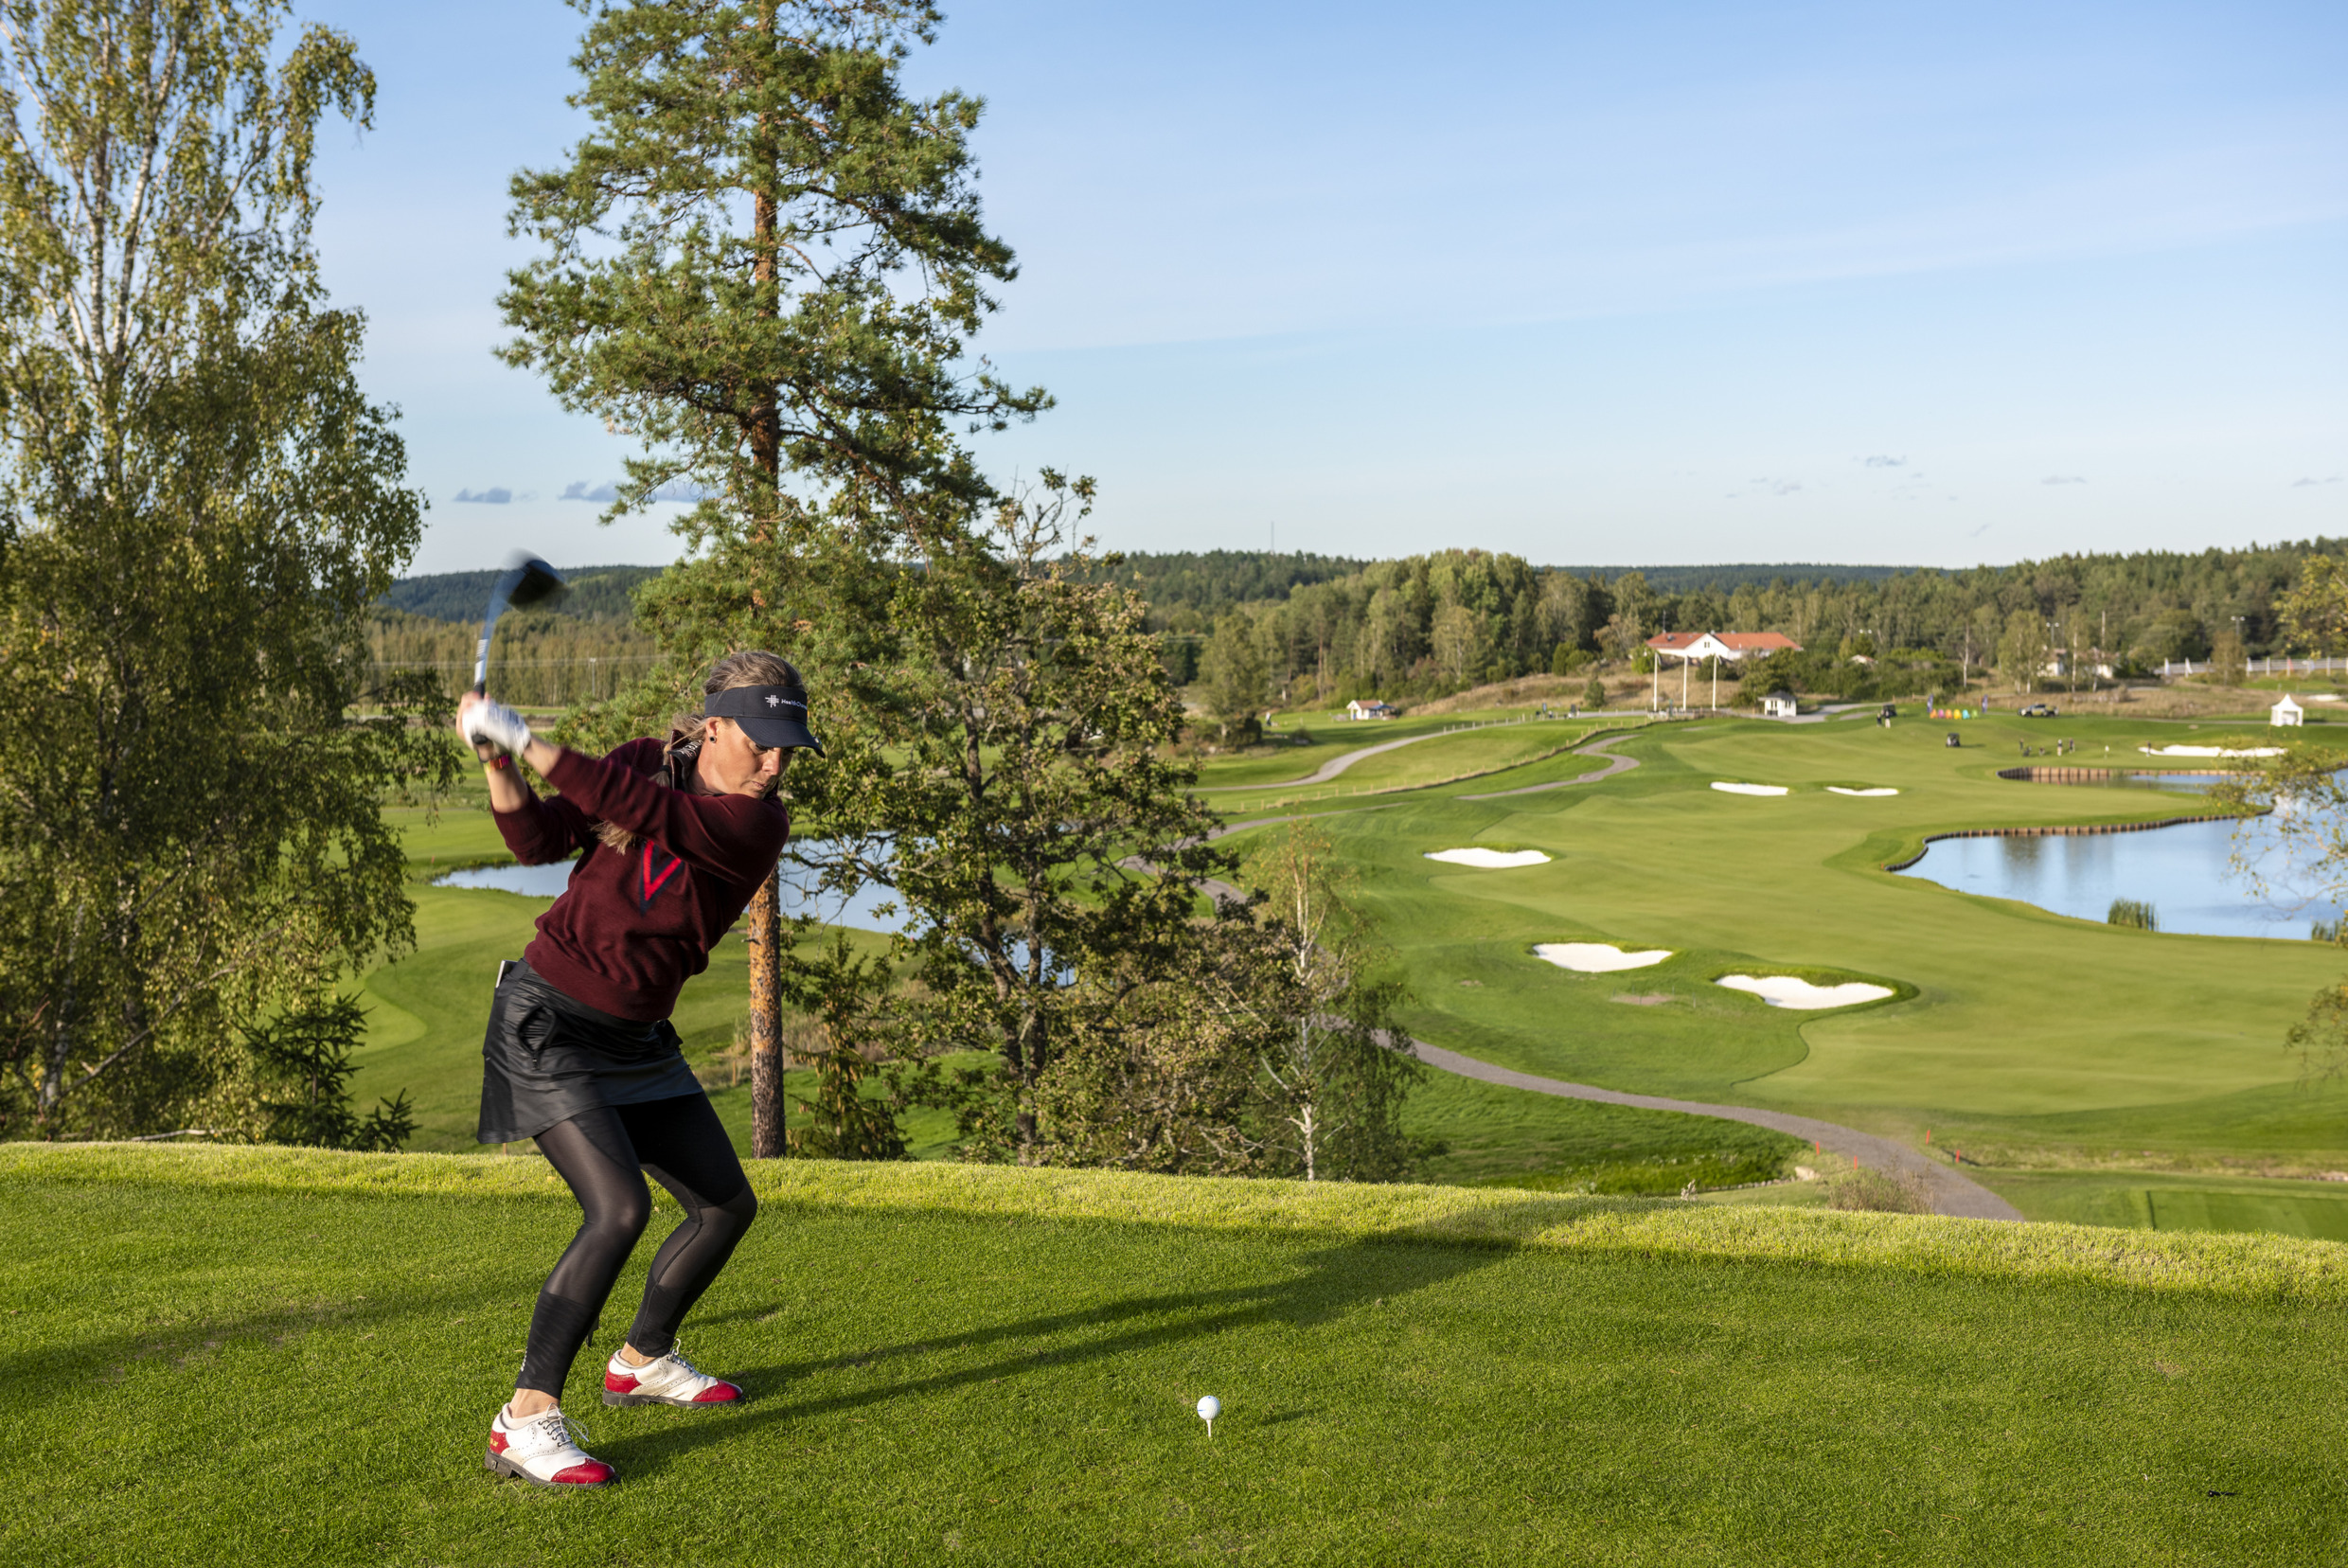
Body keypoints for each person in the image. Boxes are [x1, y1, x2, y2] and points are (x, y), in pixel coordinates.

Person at [456, 650, 820, 1489]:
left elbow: (652, 818)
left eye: (789, 750)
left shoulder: (759, 823)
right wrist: (496, 758)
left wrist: (525, 733)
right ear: (716, 726)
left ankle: (642, 1359)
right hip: (547, 1021)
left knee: (727, 1206)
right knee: (616, 1209)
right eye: (762, 744)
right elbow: (535, 838)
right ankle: (526, 1419)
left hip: (637, 1038)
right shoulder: (637, 763)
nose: (774, 765)